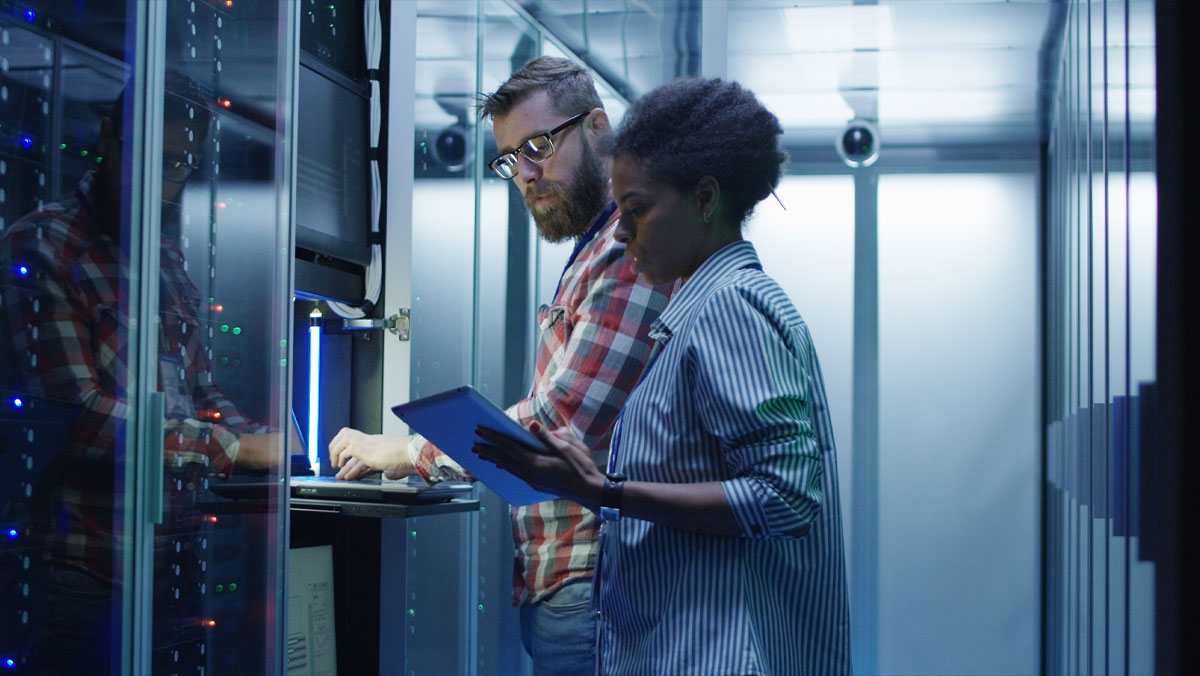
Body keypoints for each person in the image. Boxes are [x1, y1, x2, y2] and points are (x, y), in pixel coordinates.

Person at [474, 77, 852, 675]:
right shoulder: (701, 308)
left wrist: (606, 492)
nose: (620, 234)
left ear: (705, 199)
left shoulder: (728, 304)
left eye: (637, 210)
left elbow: (783, 498)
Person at [326, 57, 673, 672]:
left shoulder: (626, 248)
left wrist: (408, 452)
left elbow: (558, 424)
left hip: (597, 582)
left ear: (598, 127)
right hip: (572, 583)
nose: (526, 174)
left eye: (540, 145)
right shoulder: (596, 247)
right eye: (511, 158)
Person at [0, 73, 281, 673]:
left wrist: (279, 445)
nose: (161, 179)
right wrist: (236, 447)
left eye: (178, 162)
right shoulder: (43, 246)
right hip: (82, 572)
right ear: (108, 138)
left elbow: (198, 392)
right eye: (147, 154)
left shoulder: (164, 259)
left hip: (169, 565)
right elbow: (79, 418)